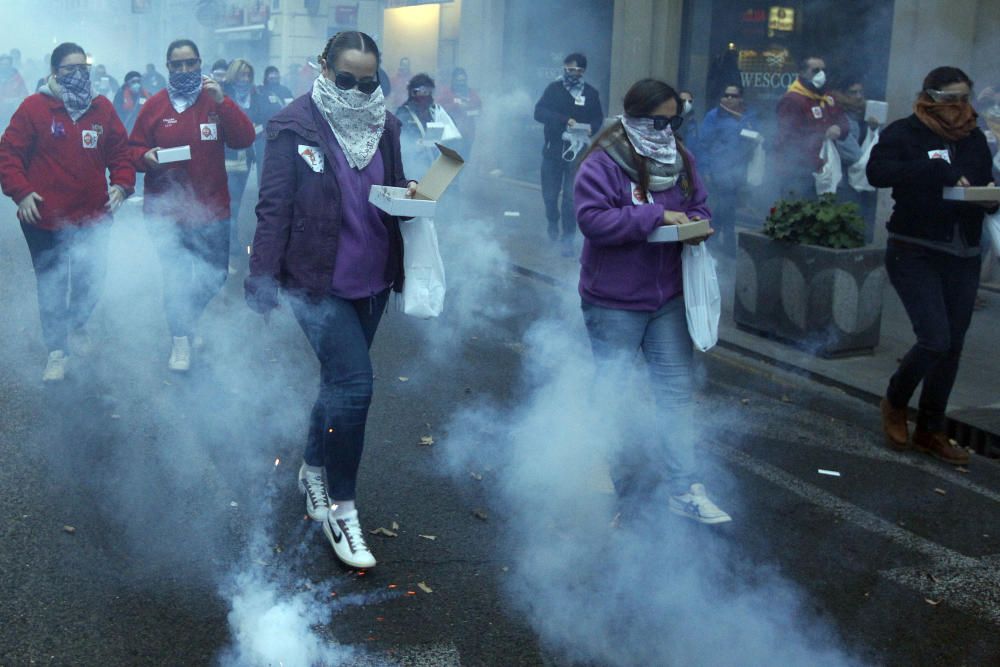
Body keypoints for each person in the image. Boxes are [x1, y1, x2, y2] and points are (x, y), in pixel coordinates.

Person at [246, 31, 413, 569]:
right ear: (323, 67)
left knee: (338, 385)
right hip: (314, 282)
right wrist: (262, 278)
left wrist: (413, 199)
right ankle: (343, 508)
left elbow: (395, 187)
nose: (358, 90)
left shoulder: (385, 124)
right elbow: (272, 208)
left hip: (374, 281)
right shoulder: (293, 125)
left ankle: (312, 466)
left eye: (369, 81)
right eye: (346, 79)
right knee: (355, 387)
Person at [573, 78, 731, 524]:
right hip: (614, 299)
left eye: (673, 120)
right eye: (657, 120)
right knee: (615, 393)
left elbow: (699, 205)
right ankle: (618, 488)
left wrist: (696, 223)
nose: (666, 129)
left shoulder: (681, 157)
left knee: (676, 395)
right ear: (635, 117)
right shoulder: (603, 161)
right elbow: (592, 220)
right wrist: (656, 216)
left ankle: (683, 488)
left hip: (668, 297)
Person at [867, 66, 997, 466]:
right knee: (935, 339)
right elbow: (878, 173)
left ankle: (931, 428)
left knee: (953, 346)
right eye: (950, 99)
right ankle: (896, 399)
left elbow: (982, 178)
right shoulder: (905, 132)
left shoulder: (974, 136)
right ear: (930, 97)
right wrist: (931, 169)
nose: (959, 107)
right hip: (915, 249)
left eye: (964, 98)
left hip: (964, 251)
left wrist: (990, 195)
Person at [0, 42, 134, 381]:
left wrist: (121, 184)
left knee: (92, 281)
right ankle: (56, 350)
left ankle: (78, 324)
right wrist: (22, 192)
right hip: (44, 220)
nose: (76, 76)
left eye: (82, 69)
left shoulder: (101, 108)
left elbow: (120, 152)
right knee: (52, 285)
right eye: (68, 70)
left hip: (93, 217)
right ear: (55, 71)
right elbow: (9, 154)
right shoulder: (34, 107)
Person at [129, 39, 255, 372]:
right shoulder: (153, 106)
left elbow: (244, 139)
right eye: (177, 64)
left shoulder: (214, 101)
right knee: (176, 278)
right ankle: (180, 341)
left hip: (212, 209)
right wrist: (145, 156)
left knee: (214, 276)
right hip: (166, 212)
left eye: (190, 63)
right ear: (168, 67)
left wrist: (222, 101)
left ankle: (187, 319)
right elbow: (133, 149)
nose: (184, 70)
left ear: (200, 64)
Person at [534, 52, 604, 255]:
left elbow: (598, 118)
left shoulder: (591, 93)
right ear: (565, 67)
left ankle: (568, 239)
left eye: (579, 70)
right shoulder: (553, 89)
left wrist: (592, 127)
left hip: (578, 151)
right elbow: (539, 112)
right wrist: (564, 120)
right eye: (571, 69)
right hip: (553, 150)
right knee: (550, 195)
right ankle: (552, 222)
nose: (575, 74)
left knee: (571, 197)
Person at [697, 83, 759, 259]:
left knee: (729, 210)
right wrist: (706, 169)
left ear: (741, 98)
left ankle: (723, 249)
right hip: (718, 171)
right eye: (726, 95)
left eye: (734, 96)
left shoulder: (749, 116)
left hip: (739, 173)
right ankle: (717, 247)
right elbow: (703, 145)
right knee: (721, 209)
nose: (730, 99)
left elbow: (757, 139)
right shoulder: (713, 116)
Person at [773, 56, 849, 199]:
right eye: (816, 70)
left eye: (823, 70)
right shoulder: (793, 99)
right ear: (803, 73)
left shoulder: (828, 97)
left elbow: (844, 122)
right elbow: (789, 137)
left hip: (825, 169)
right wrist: (822, 135)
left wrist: (839, 129)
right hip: (799, 170)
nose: (822, 74)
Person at [222, 58, 265, 270]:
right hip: (224, 158)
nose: (245, 79)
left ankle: (232, 247)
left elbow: (263, 118)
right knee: (229, 205)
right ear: (233, 76)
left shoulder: (254, 95)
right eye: (241, 75)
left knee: (235, 206)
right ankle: (231, 249)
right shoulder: (222, 94)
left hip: (245, 158)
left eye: (248, 75)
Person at [830, 76, 881, 242]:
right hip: (844, 182)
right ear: (842, 95)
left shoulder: (862, 116)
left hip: (861, 180)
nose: (859, 96)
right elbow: (853, 155)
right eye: (853, 92)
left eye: (861, 92)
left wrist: (874, 129)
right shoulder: (840, 117)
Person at [396, 73, 459, 181]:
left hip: (433, 165)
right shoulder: (404, 113)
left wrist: (443, 140)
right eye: (423, 91)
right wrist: (417, 144)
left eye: (430, 92)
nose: (427, 95)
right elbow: (400, 144)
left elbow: (451, 136)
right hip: (412, 168)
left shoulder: (434, 111)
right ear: (413, 92)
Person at [255, 66, 292, 185]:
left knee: (280, 162)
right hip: (263, 134)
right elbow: (256, 112)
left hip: (281, 133)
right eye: (271, 75)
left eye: (276, 75)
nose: (274, 77)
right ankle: (262, 186)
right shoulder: (259, 91)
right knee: (262, 161)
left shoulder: (285, 91)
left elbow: (292, 109)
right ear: (266, 77)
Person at [438, 67, 482, 163]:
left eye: (463, 80)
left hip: (467, 134)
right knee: (452, 161)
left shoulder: (471, 92)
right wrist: (455, 105)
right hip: (452, 134)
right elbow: (438, 109)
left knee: (463, 161)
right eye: (459, 80)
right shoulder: (447, 92)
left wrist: (469, 107)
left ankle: (459, 177)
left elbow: (479, 108)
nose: (461, 83)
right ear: (453, 80)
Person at [0, 53, 29, 123]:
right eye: (2, 64)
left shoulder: (17, 78)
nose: (4, 66)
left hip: (13, 113)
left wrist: (17, 100)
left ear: (10, 65)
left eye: (6, 64)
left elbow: (24, 94)